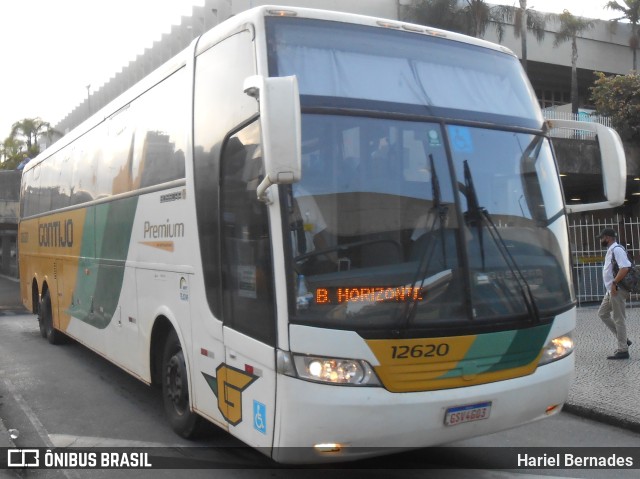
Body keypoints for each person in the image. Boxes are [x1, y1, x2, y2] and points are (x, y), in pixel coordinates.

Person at [597, 228, 633, 360]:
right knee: (602, 313)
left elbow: (625, 267)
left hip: (617, 289)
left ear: (608, 237)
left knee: (619, 319)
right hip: (611, 290)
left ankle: (623, 350)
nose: (601, 240)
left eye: (602, 238)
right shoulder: (611, 250)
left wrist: (614, 283)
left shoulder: (617, 249)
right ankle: (623, 339)